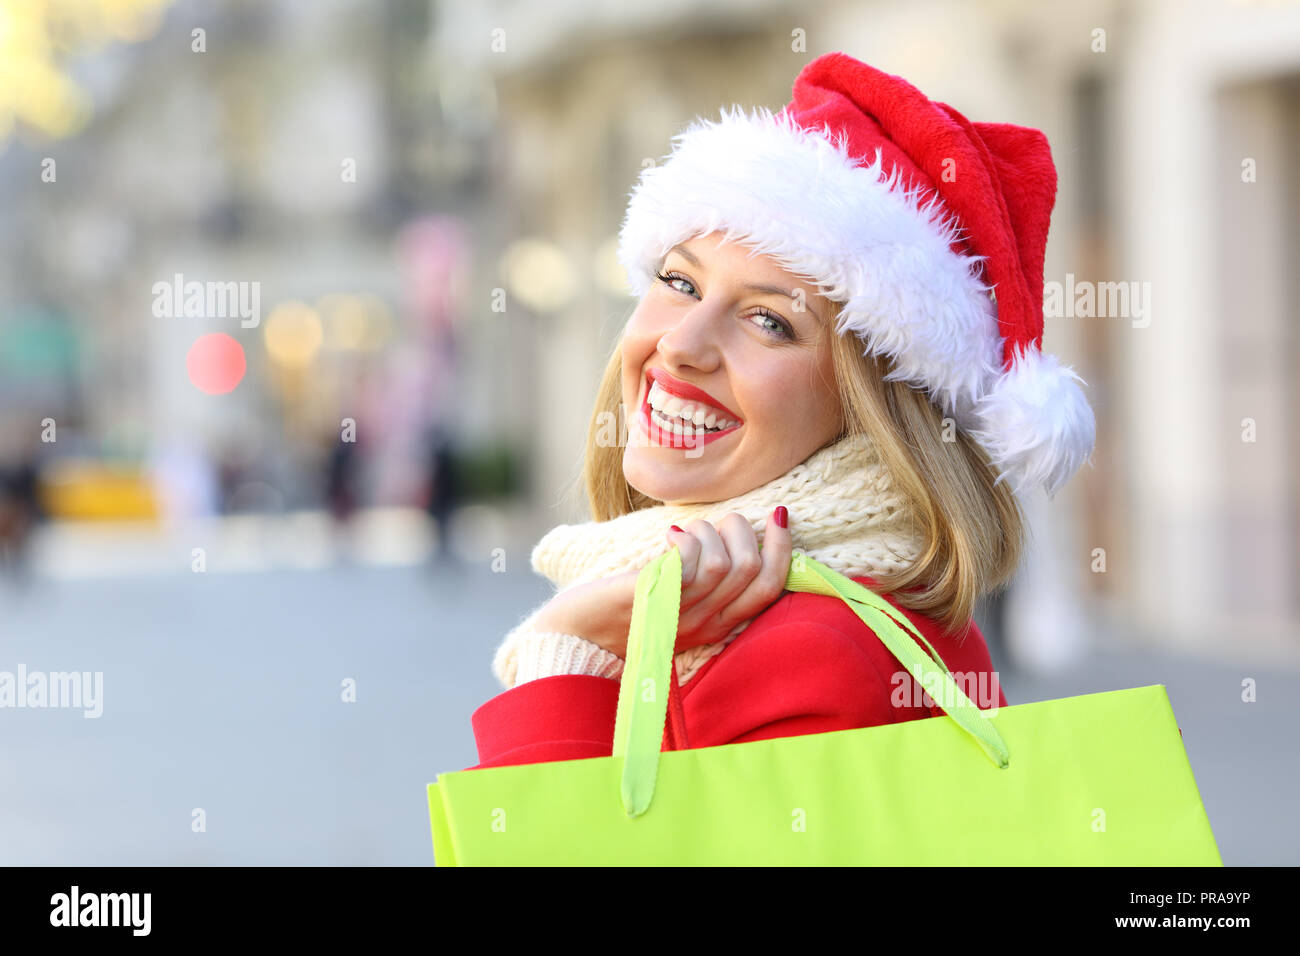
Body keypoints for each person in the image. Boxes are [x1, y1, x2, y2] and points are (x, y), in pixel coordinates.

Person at [466, 52, 1095, 770]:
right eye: (679, 281)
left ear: (868, 411)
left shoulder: (806, 655)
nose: (681, 344)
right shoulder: (840, 609)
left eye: (770, 322)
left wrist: (566, 650)